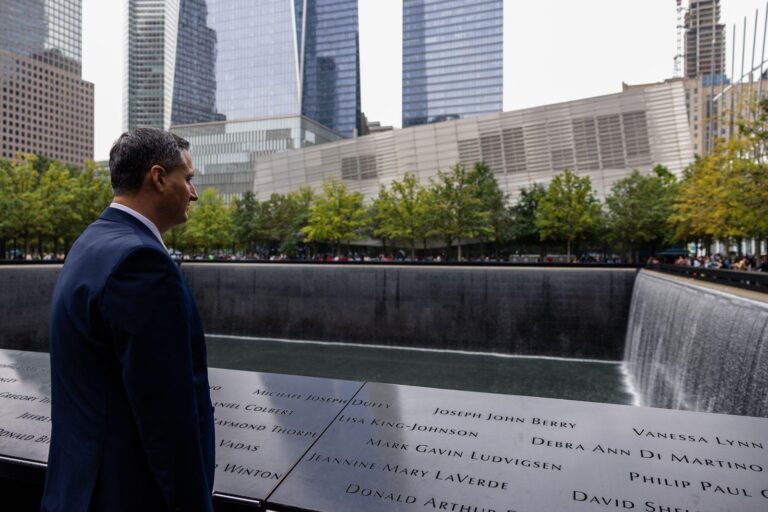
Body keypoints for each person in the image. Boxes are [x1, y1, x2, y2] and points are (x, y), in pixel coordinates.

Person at [42, 128, 215, 512]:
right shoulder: (141, 263)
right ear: (157, 177)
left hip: (77, 487)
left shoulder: (90, 242)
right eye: (188, 178)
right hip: (125, 495)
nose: (193, 193)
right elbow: (167, 418)